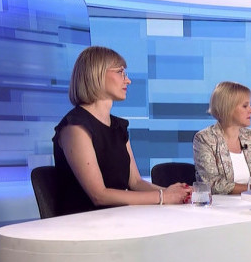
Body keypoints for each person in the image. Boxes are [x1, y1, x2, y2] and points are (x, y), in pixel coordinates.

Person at [53, 46, 191, 215]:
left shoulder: (119, 126)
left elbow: (135, 182)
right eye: (120, 72)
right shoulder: (75, 126)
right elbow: (99, 195)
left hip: (118, 217)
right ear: (96, 74)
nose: (128, 80)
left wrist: (178, 194)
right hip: (84, 221)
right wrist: (163, 196)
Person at [193, 81, 251, 194]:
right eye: (245, 106)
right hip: (220, 204)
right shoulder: (204, 139)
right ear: (228, 108)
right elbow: (212, 184)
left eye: (250, 105)